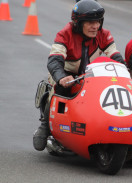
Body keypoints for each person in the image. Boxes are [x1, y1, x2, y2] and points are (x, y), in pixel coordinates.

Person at [33, 0, 125, 151]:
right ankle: (45, 125)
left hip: (92, 75)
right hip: (66, 74)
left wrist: (129, 77)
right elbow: (54, 60)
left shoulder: (104, 34)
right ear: (78, 23)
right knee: (60, 89)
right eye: (90, 22)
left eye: (98, 21)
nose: (95, 26)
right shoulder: (65, 34)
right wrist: (61, 77)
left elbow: (116, 57)